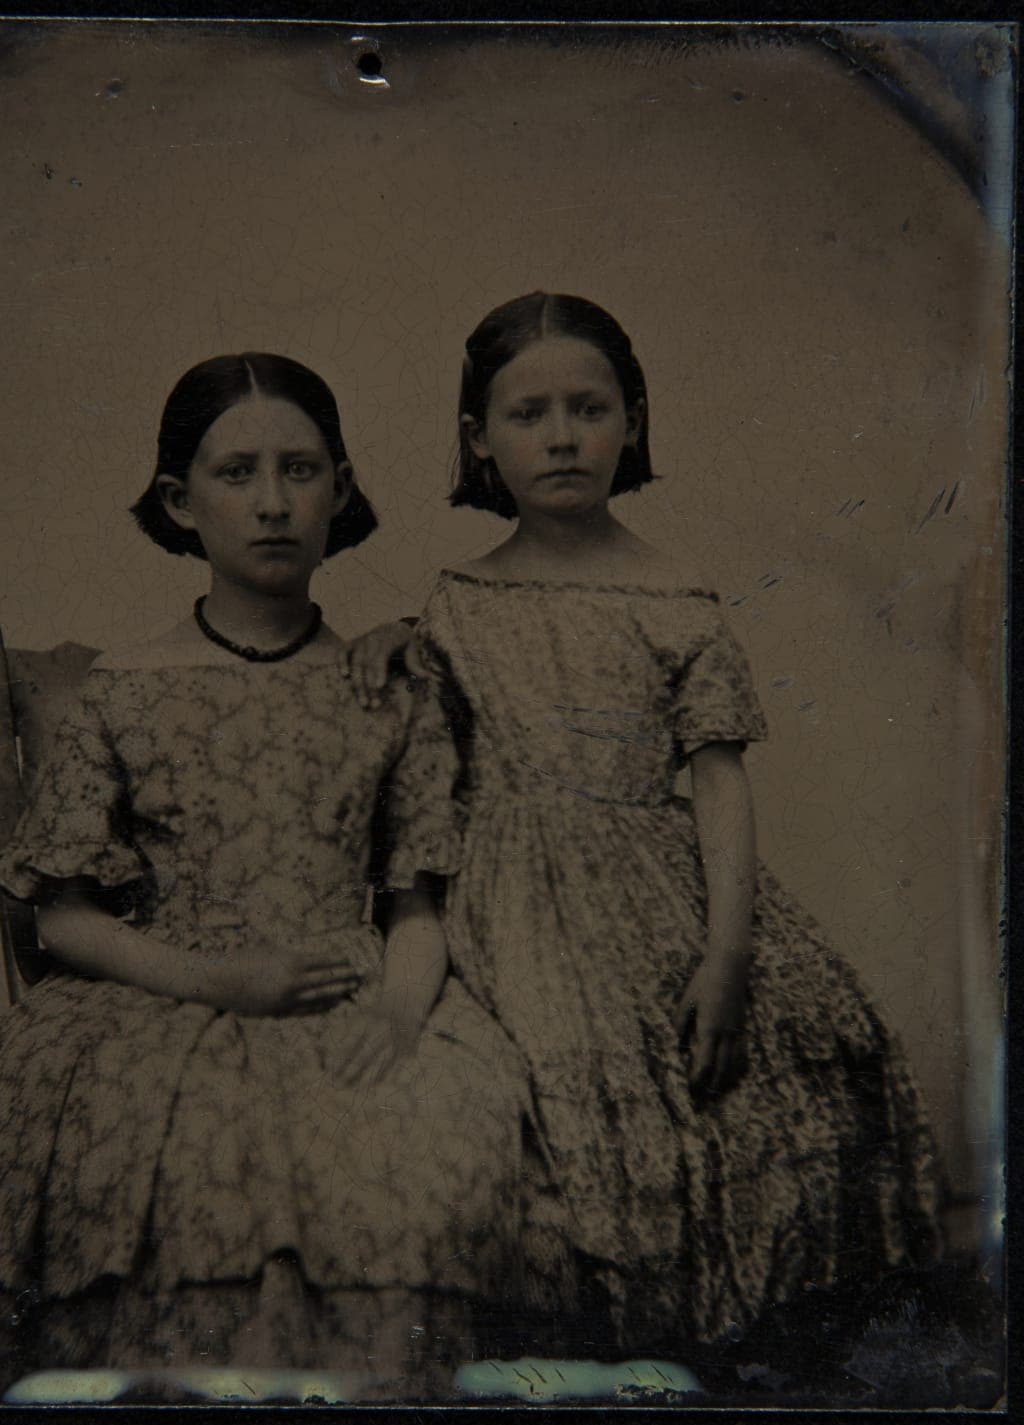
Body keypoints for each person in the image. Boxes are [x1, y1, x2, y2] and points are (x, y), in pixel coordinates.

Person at [345, 292, 943, 1358]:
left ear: (633, 423)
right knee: (558, 1077)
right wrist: (397, 637)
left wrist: (727, 955)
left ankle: (732, 1344)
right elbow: (437, 747)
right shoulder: (456, 598)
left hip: (650, 883)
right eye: (528, 414)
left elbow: (717, 783)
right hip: (507, 899)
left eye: (590, 409)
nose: (562, 437)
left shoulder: (674, 597)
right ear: (479, 440)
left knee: (778, 1061)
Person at [0, 353, 534, 1401]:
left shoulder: (390, 688)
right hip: (164, 994)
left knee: (434, 1120)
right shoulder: (124, 690)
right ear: (180, 500)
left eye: (300, 470)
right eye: (236, 473)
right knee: (157, 1147)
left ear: (341, 489)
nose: (272, 503)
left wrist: (400, 1015)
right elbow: (62, 922)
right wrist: (220, 982)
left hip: (352, 991)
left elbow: (417, 905)